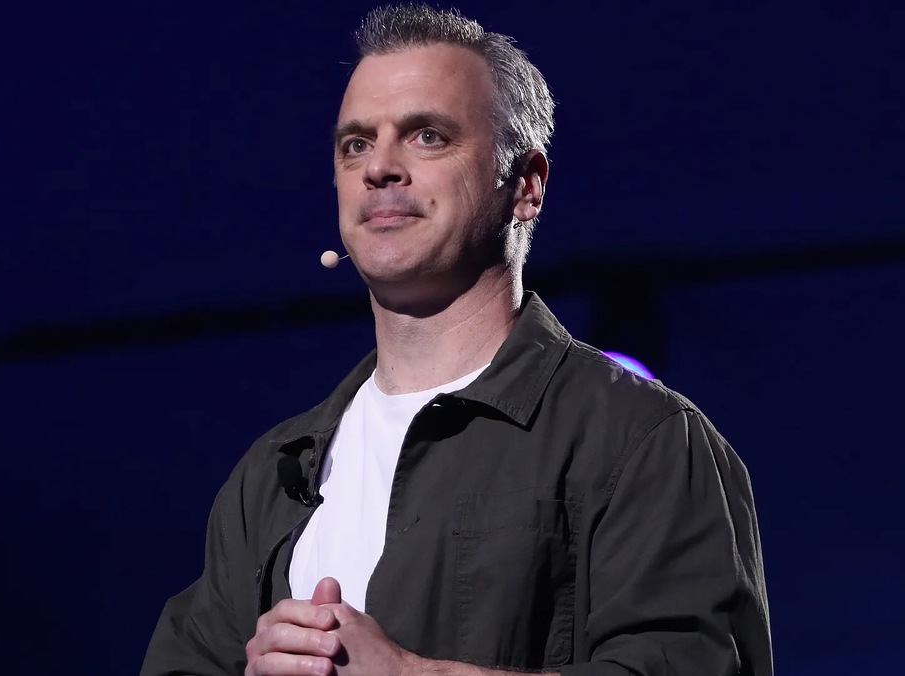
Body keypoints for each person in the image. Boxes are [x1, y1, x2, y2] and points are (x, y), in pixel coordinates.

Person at [140, 5, 771, 676]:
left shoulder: (640, 438)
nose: (379, 168)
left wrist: (412, 675)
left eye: (427, 136)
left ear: (525, 186)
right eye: (356, 144)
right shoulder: (269, 475)